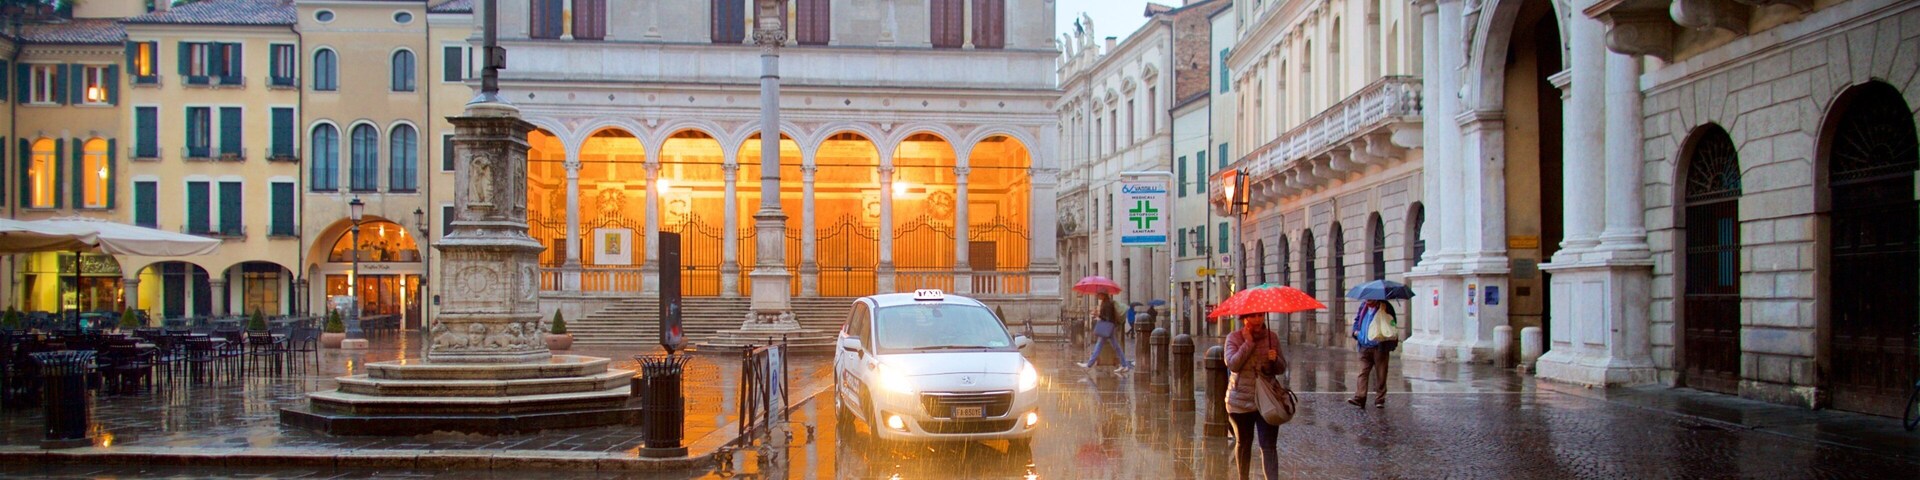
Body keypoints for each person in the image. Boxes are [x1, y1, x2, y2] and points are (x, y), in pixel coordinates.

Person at [1224, 312, 1284, 480]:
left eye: (1260, 315)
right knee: (1243, 443)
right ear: (1244, 318)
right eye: (1253, 316)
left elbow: (1281, 368)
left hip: (1267, 400)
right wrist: (1248, 343)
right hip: (1240, 401)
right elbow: (1233, 364)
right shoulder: (1234, 338)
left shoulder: (1272, 337)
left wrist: (1275, 359)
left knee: (1269, 446)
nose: (1257, 319)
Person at [1348, 299, 1399, 408]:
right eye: (1366, 298)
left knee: (1381, 374)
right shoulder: (1363, 306)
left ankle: (1380, 399)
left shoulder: (1385, 307)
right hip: (1364, 345)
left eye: (1370, 298)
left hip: (1379, 347)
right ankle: (1360, 397)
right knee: (1362, 372)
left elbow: (1392, 323)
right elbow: (1357, 320)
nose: (1367, 300)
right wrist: (1355, 331)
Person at [1076, 292, 1134, 373]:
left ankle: (1089, 365)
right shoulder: (1106, 303)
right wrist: (1098, 315)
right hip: (1109, 327)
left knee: (1100, 346)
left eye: (1099, 294)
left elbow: (1108, 317)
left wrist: (1097, 315)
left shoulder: (1108, 304)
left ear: (1103, 295)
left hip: (1107, 327)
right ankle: (1124, 365)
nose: (1097, 295)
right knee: (1113, 346)